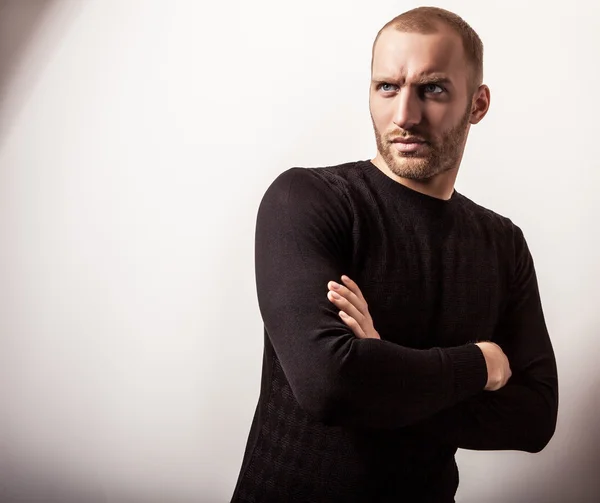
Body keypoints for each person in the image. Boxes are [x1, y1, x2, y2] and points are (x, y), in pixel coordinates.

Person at [230, 6, 558, 503]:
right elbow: (330, 386)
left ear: (478, 103)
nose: (404, 115)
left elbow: (535, 417)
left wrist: (382, 373)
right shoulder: (309, 199)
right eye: (387, 87)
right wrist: (479, 364)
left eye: (433, 89)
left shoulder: (502, 243)